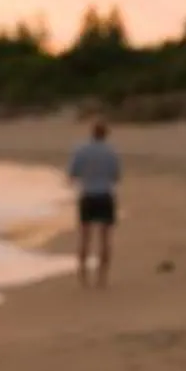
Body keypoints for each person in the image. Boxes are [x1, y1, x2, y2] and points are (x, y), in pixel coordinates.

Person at [65, 117, 122, 288]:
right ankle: (102, 278)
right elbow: (116, 177)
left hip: (88, 195)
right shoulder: (111, 152)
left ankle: (83, 276)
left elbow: (73, 174)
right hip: (105, 195)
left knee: (85, 237)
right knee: (105, 238)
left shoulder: (81, 150)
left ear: (92, 132)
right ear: (105, 134)